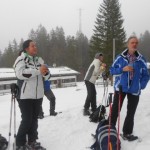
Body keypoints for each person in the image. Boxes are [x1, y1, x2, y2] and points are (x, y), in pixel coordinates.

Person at [110, 36, 149, 141]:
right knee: (115, 110)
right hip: (121, 88)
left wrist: (142, 85)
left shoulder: (141, 59)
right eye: (132, 42)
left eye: (136, 43)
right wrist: (122, 69)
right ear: (128, 44)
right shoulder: (120, 57)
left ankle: (127, 133)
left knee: (131, 112)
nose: (134, 44)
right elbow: (112, 70)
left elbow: (146, 75)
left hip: (135, 89)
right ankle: (110, 130)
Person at [13, 39, 50, 150]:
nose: (35, 47)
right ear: (26, 48)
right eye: (32, 46)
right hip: (25, 96)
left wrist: (46, 72)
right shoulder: (21, 59)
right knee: (27, 120)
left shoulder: (39, 60)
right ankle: (20, 144)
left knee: (34, 119)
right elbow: (20, 74)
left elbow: (47, 76)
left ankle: (32, 141)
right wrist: (39, 71)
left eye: (36, 45)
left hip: (38, 95)